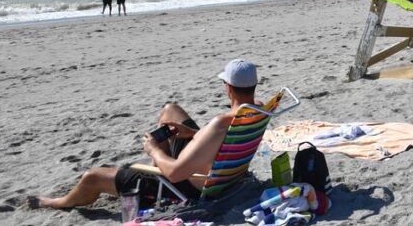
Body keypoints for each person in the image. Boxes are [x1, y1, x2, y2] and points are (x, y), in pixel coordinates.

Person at [27, 59, 260, 210]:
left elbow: (177, 174)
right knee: (171, 110)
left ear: (227, 88)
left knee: (92, 177)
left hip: (191, 184)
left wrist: (155, 150)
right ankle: (149, 179)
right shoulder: (257, 110)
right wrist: (192, 134)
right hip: (223, 170)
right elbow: (224, 142)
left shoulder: (220, 123)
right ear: (253, 86)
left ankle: (59, 202)